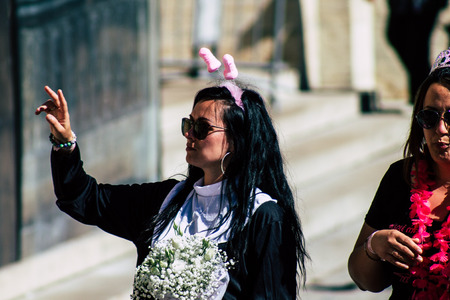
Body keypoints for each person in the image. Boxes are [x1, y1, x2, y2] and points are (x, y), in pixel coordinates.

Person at [35, 48, 308, 299]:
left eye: (202, 128)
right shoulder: (165, 200)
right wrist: (64, 144)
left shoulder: (264, 216)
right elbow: (84, 198)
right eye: (188, 124)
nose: (190, 134)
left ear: (236, 142)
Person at [348, 47, 450, 299]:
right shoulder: (401, 176)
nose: (440, 128)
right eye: (430, 116)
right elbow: (363, 279)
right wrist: (375, 246)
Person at [368, 0, 448, 104]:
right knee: (399, 38)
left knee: (418, 50)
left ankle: (423, 94)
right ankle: (425, 91)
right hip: (406, 6)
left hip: (424, 6)